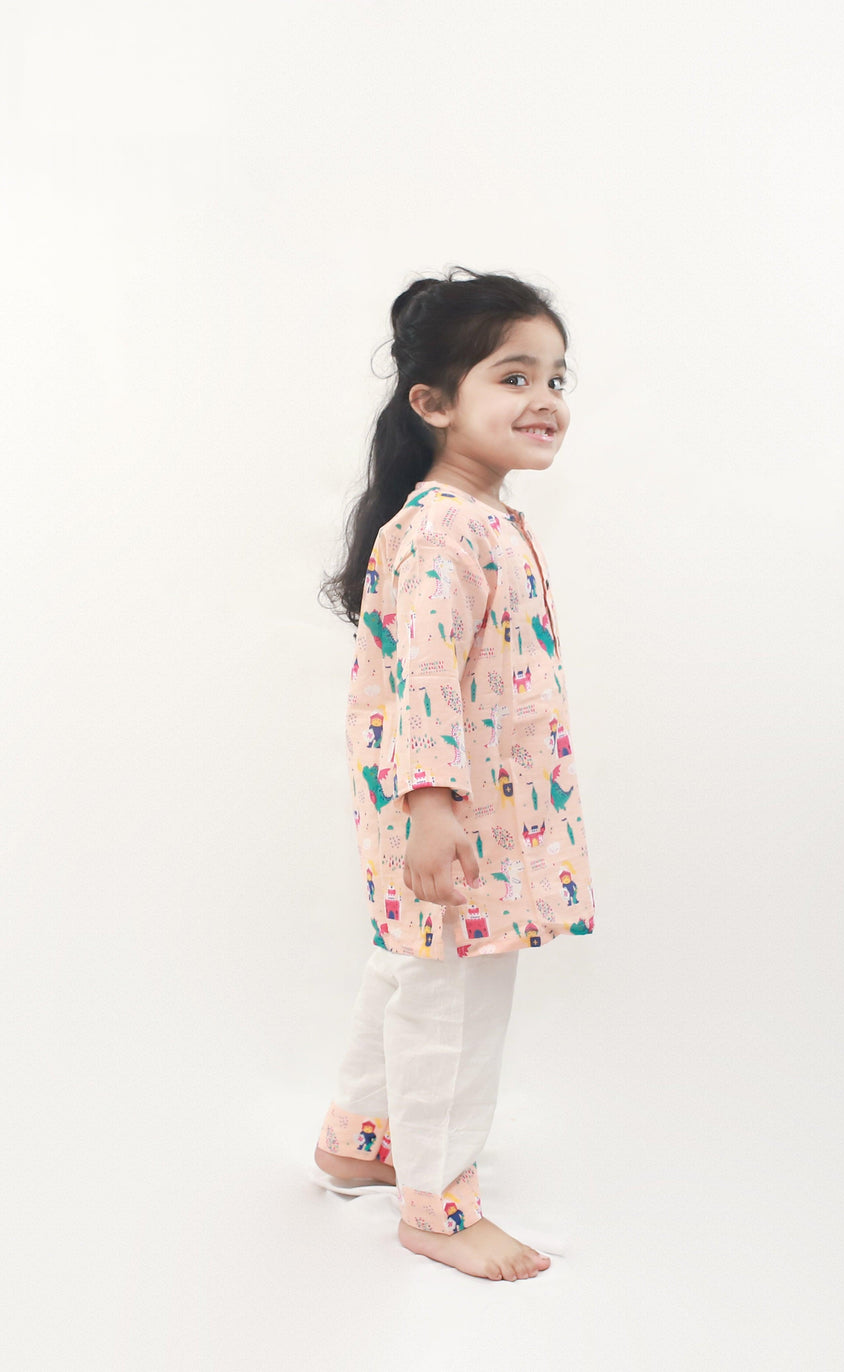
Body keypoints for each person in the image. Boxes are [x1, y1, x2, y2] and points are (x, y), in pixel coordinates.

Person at [311, 268, 597, 1282]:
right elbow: (424, 682)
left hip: (476, 810)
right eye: (513, 377)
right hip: (452, 817)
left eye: (555, 378)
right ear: (432, 403)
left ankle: (361, 1140)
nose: (544, 399)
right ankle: (436, 1206)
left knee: (411, 965)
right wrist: (431, 811)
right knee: (454, 1003)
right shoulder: (443, 528)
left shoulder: (476, 518)